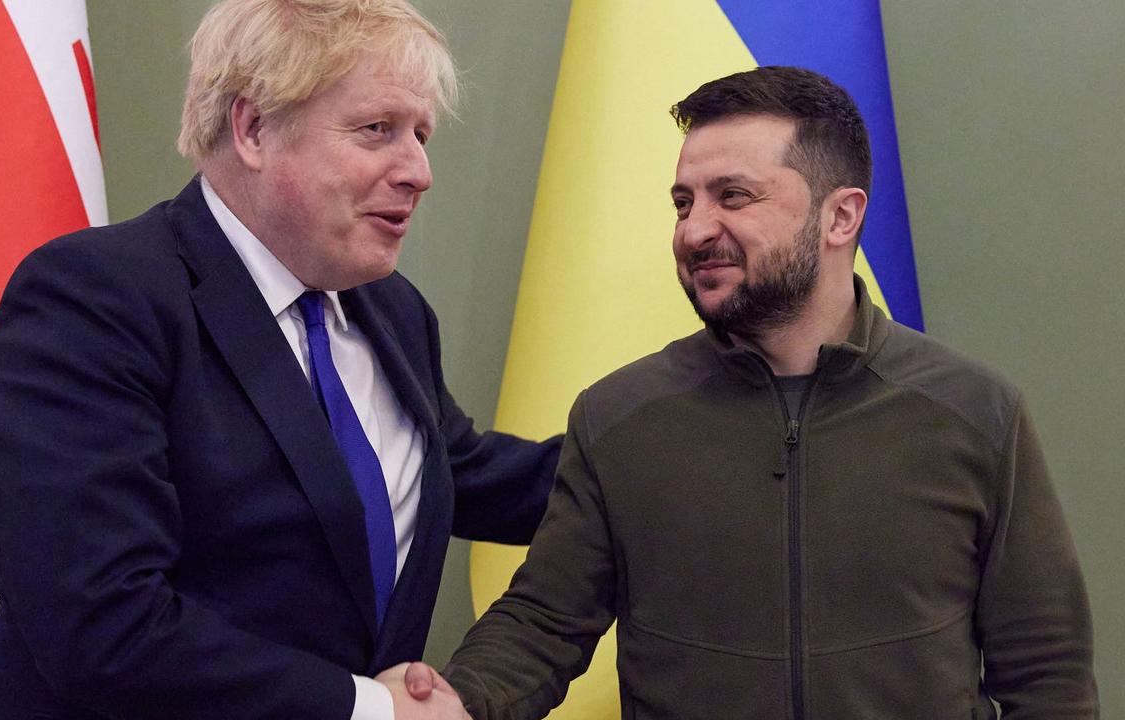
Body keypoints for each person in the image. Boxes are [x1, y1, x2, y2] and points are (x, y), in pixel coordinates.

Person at [409, 66, 1098, 718]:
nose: (694, 229)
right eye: (684, 202)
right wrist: (453, 702)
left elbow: (1048, 673)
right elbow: (543, 623)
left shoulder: (975, 413)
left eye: (732, 196)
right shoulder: (618, 419)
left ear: (841, 217)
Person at [0, 1, 558, 718]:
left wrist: (694, 440)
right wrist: (370, 710)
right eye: (378, 130)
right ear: (253, 128)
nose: (419, 171)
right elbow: (102, 626)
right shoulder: (94, 300)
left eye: (422, 135)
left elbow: (470, 475)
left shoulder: (391, 312)